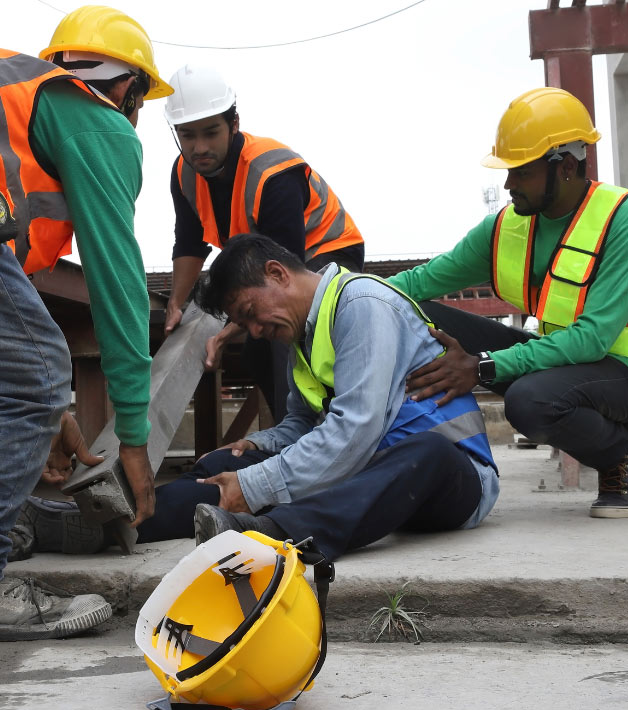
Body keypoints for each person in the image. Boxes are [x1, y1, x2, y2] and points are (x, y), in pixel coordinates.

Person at [136, 234, 499, 563]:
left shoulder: (363, 304)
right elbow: (303, 424)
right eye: (246, 326)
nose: (257, 332)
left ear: (277, 273)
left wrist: (256, 485)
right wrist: (257, 444)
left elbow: (356, 429)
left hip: (451, 477)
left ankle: (273, 533)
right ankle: (126, 520)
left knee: (427, 452)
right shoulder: (303, 335)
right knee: (225, 465)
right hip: (364, 469)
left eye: (250, 314)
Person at [0, 5, 172, 640]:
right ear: (127, 88)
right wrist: (133, 439)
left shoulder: (25, 104)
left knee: (31, 376)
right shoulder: (99, 124)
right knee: (40, 371)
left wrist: (53, 412)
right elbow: (118, 284)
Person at [387, 87, 628, 519]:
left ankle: (621, 459)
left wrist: (481, 366)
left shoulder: (621, 220)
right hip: (572, 365)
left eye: (521, 171)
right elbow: (421, 281)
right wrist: (338, 294)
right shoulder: (508, 226)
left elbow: (592, 339)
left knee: (529, 400)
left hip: (619, 371)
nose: (507, 183)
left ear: (567, 166)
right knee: (419, 313)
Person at [162, 63, 365, 420]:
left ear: (234, 124)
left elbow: (283, 275)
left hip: (325, 253)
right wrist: (177, 303)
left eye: (210, 133)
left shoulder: (272, 172)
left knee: (283, 337)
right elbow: (190, 243)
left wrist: (226, 333)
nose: (199, 147)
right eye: (187, 135)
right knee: (257, 353)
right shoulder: (184, 175)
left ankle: (319, 435)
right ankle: (292, 434)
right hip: (266, 264)